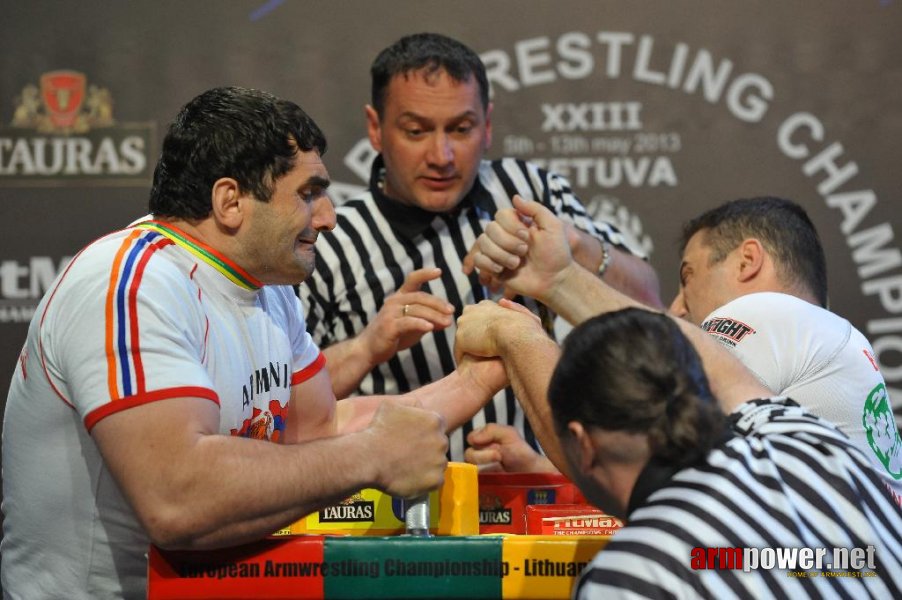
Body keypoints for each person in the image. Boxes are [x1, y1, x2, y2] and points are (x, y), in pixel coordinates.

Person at [1, 86, 505, 599]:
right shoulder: (130, 284)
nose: (329, 216)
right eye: (309, 194)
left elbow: (322, 430)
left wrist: (484, 373)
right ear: (230, 201)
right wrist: (372, 458)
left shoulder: (265, 288)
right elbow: (178, 500)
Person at [300, 32, 661, 462]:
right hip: (395, 513)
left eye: (461, 128)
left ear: (487, 125)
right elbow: (281, 411)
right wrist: (366, 348)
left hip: (538, 491)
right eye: (416, 131)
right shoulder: (333, 237)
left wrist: (573, 247)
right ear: (376, 128)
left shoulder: (531, 191)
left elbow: (648, 299)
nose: (442, 155)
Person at [463, 195, 902, 504]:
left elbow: (641, 414)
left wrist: (516, 332)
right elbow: (672, 486)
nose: (676, 306)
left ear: (748, 261)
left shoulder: (773, 312)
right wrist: (549, 474)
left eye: (688, 275)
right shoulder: (819, 340)